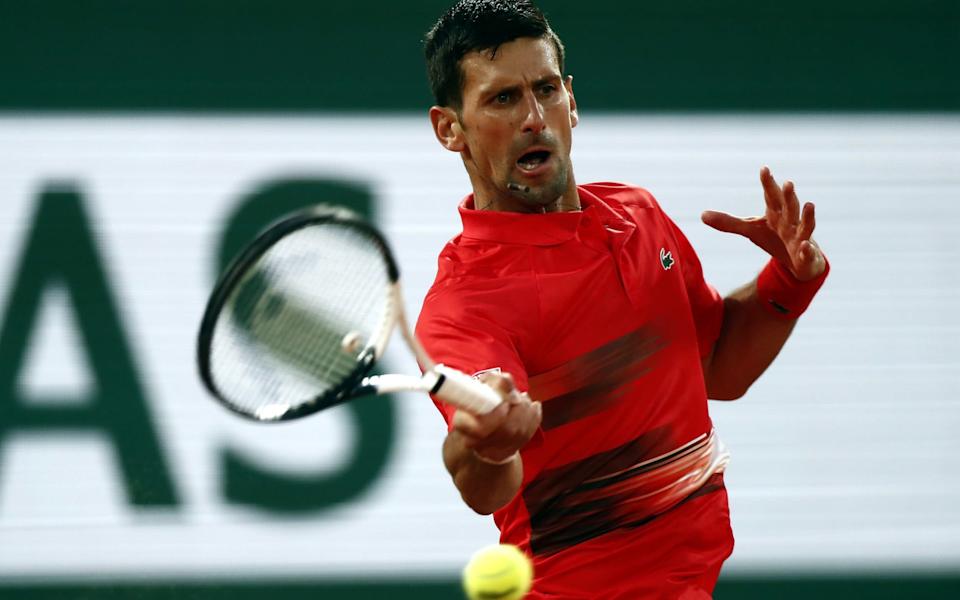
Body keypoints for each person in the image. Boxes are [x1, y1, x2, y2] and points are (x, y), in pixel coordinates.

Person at [415, 1, 829, 597]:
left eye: (546, 89)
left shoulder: (639, 216)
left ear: (571, 100)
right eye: (502, 99)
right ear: (449, 128)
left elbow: (718, 367)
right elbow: (484, 483)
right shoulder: (463, 307)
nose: (535, 117)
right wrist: (486, 444)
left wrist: (787, 281)